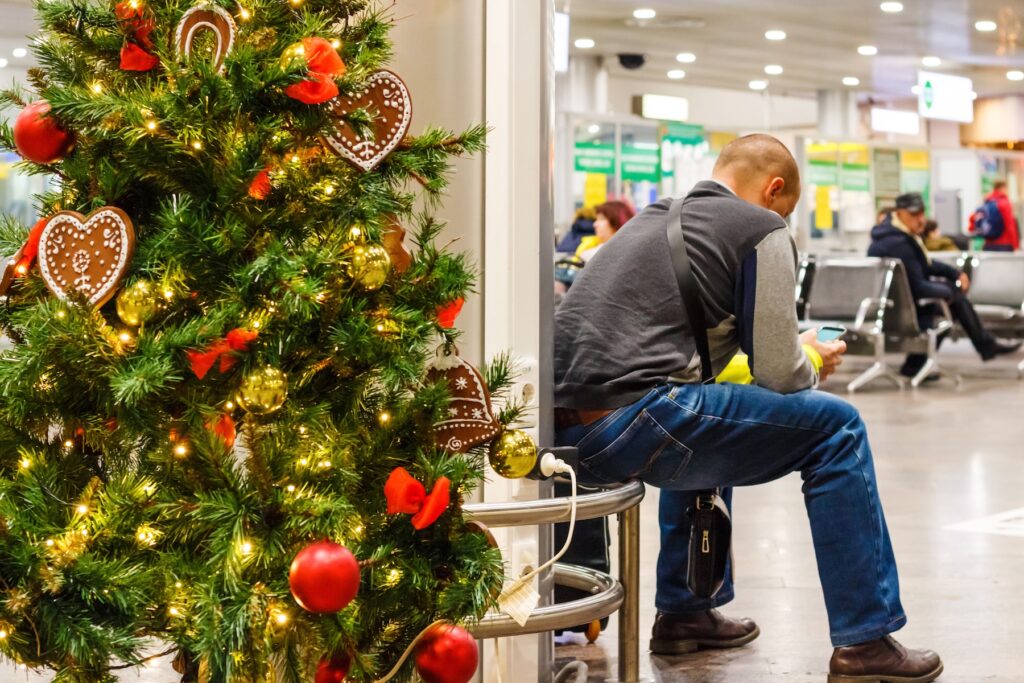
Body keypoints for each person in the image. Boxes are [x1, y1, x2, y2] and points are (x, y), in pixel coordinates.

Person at [554, 134, 943, 682]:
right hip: (636, 419)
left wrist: (786, 347)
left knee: (719, 415)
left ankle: (685, 614)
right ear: (774, 189)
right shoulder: (760, 227)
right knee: (840, 428)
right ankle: (867, 638)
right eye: (784, 208)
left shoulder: (656, 217)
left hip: (571, 439)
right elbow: (780, 374)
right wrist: (810, 359)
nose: (783, 218)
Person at [868, 192, 1020, 378]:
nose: (921, 219)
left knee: (952, 302)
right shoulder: (898, 243)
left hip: (896, 307)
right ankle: (985, 345)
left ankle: (917, 364)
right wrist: (951, 289)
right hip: (906, 310)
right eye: (914, 215)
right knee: (953, 302)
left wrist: (954, 274)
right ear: (899, 213)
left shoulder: (895, 235)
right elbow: (918, 287)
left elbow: (924, 265)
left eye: (922, 213)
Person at [971, 180, 1020, 252]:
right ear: (1003, 187)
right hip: (1004, 243)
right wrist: (1015, 244)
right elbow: (1009, 225)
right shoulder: (1004, 202)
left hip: (988, 243)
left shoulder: (987, 201)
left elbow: (973, 219)